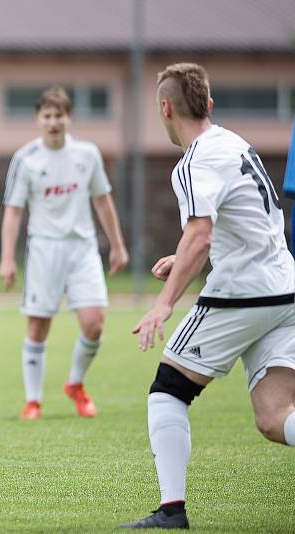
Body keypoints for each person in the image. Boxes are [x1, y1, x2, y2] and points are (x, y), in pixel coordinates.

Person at [120, 63, 295, 529]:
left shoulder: (194, 161)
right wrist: (181, 260)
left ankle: (171, 511)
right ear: (209, 104)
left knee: (168, 391)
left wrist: (164, 303)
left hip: (243, 294)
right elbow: (242, 224)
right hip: (285, 291)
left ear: (165, 108)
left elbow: (199, 233)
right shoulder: (235, 144)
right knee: (275, 418)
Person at [0, 86, 129, 420]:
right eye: (47, 116)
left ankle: (75, 384)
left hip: (83, 248)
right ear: (37, 119)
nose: (53, 122)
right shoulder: (26, 159)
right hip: (44, 248)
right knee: (39, 326)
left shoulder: (87, 154)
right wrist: (8, 258)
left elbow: (102, 200)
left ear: (69, 117)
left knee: (94, 323)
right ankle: (33, 401)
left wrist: (117, 245)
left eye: (59, 115)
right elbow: (13, 211)